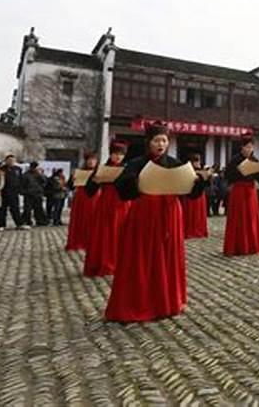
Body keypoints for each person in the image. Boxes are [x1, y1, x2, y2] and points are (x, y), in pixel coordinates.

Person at [105, 122, 208, 322]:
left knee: (167, 256)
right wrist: (135, 182)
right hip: (143, 215)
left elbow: (191, 194)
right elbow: (123, 191)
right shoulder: (136, 163)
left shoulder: (176, 163)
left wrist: (200, 183)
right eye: (156, 140)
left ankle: (166, 301)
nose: (160, 144)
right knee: (142, 257)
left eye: (164, 140)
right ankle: (139, 302)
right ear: (148, 142)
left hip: (170, 215)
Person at [83, 141, 131, 277]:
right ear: (110, 154)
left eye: (121, 155)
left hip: (123, 205)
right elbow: (89, 191)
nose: (118, 157)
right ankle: (104, 262)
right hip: (105, 205)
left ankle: (122, 263)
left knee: (122, 234)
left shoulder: (127, 169)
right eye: (116, 154)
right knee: (104, 234)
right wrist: (95, 181)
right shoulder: (101, 168)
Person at [223, 135, 259, 256]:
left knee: (251, 218)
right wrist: (240, 171)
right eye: (247, 147)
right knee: (238, 218)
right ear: (242, 147)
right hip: (239, 191)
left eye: (251, 147)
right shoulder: (235, 160)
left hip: (251, 191)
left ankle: (252, 246)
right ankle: (237, 246)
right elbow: (228, 176)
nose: (250, 149)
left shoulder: (254, 159)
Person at [65, 152, 100, 251]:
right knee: (79, 219)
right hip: (80, 197)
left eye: (93, 159)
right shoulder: (79, 171)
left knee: (92, 220)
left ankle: (91, 242)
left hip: (94, 197)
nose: (91, 162)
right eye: (89, 159)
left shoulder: (99, 172)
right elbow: (70, 186)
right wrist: (72, 179)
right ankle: (77, 241)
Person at [181, 153, 209, 239]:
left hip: (200, 195)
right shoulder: (186, 170)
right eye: (196, 161)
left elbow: (206, 184)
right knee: (190, 214)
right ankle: (189, 230)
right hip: (190, 194)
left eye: (199, 161)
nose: (198, 163)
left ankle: (200, 229)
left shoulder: (202, 169)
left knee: (199, 215)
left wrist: (207, 176)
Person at [0, 154, 26, 231]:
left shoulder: (18, 169)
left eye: (13, 160)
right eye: (9, 160)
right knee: (2, 210)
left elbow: (20, 180)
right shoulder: (2, 169)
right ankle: (1, 225)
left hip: (14, 192)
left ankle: (19, 224)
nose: (11, 162)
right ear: (6, 161)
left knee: (15, 209)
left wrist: (20, 190)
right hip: (4, 192)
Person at [21, 161, 48, 226]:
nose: (34, 168)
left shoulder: (39, 174)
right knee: (27, 209)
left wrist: (40, 174)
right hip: (29, 194)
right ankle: (27, 221)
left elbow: (44, 182)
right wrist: (24, 192)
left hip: (38, 194)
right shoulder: (26, 175)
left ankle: (41, 221)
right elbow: (22, 184)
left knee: (39, 209)